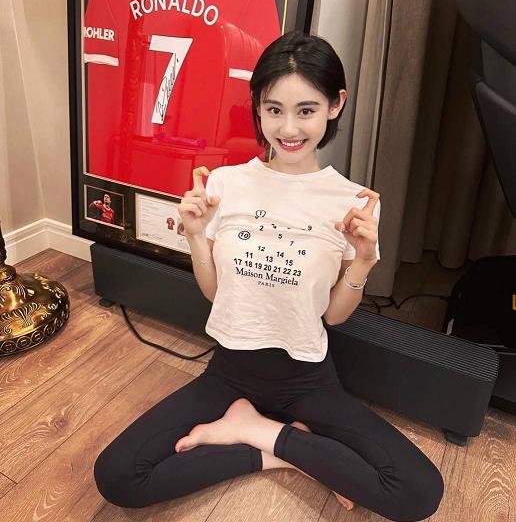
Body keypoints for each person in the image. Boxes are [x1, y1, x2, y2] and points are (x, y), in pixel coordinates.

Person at [93, 31, 444, 521]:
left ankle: (256, 430)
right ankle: (278, 452)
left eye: (306, 109)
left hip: (307, 380)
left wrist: (363, 262)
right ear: (257, 107)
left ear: (335, 105)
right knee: (117, 476)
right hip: (228, 372)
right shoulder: (225, 184)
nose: (289, 128)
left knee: (419, 492)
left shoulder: (352, 201)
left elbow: (334, 317)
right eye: (274, 109)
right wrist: (195, 236)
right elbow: (216, 294)